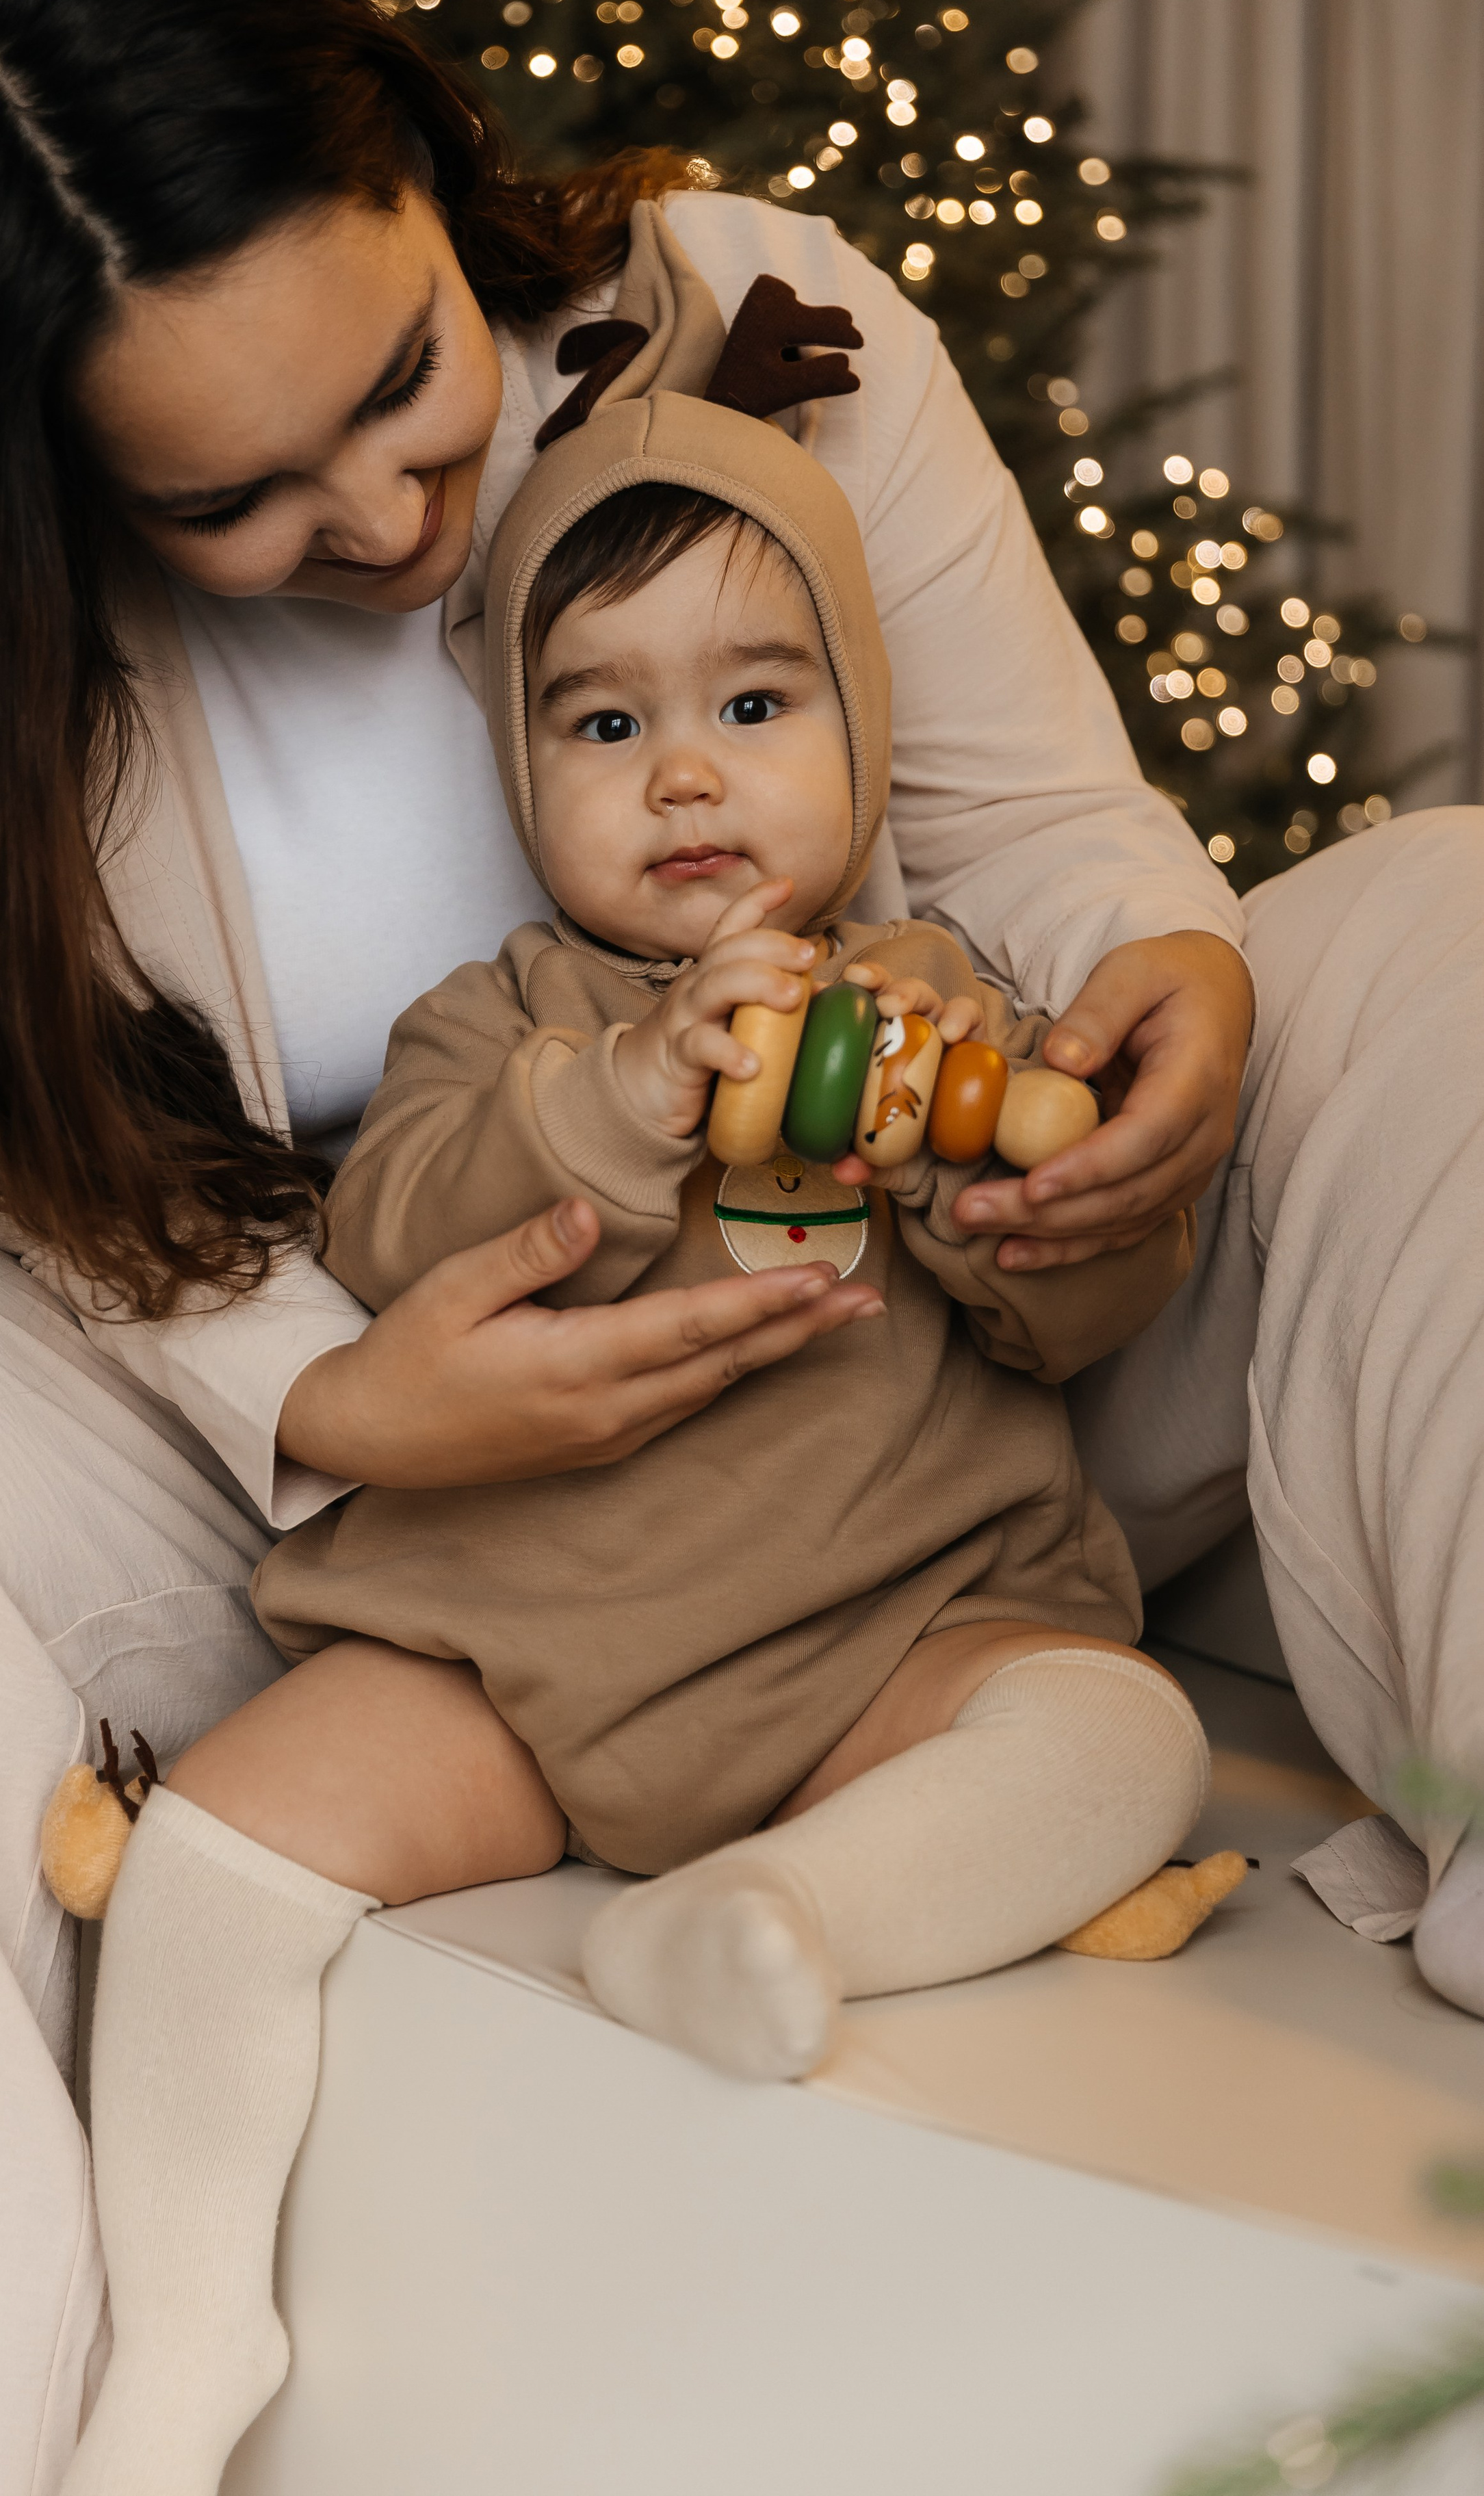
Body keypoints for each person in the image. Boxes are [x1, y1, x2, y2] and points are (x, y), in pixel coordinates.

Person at [0, 0, 1472, 2495]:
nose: (388, 508)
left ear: (439, 172)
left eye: (410, 381)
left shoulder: (754, 318)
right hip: (394, 1499)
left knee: (1447, 915)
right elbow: (31, 1160)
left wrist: (1156, 1028)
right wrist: (344, 1396)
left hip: (937, 1375)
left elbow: (1051, 827)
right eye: (235, 496)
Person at [67, 330, 1216, 2496]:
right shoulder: (494, 1014)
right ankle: (183, 2342)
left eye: (756, 708)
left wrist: (986, 1184)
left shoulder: (952, 996)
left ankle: (775, 1918)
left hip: (895, 1623)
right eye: (609, 724)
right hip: (528, 1647)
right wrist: (618, 1097)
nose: (688, 780)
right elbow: (398, 1226)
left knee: (1111, 1735)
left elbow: (1095, 1302)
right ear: (522, 772)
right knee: (222, 1847)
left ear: (864, 735)